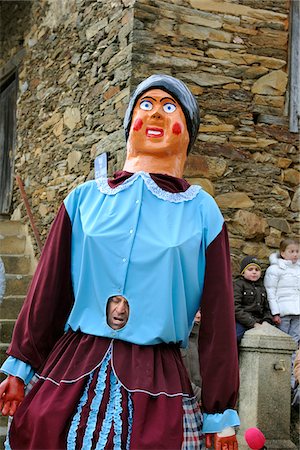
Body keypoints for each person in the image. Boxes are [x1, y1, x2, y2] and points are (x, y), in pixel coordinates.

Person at [0, 74, 239, 450]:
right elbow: (48, 291)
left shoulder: (202, 212)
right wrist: (20, 364)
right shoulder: (83, 200)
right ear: (130, 123)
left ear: (186, 130)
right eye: (147, 105)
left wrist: (220, 412)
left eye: (169, 107)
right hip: (74, 362)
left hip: (156, 375)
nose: (157, 115)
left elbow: (219, 316)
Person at [264, 238, 300, 390]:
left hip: (298, 312)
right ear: (283, 253)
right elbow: (270, 291)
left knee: (295, 345)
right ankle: (281, 381)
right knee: (283, 346)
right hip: (283, 313)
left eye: (297, 251)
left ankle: (292, 382)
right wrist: (275, 312)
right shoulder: (275, 269)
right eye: (291, 251)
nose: (295, 254)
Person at [234, 256, 273, 344]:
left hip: (260, 321)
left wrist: (267, 321)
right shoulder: (238, 285)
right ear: (243, 272)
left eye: (257, 269)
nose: (254, 272)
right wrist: (252, 323)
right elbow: (235, 308)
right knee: (235, 338)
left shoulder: (261, 287)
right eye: (250, 269)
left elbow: (266, 308)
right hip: (243, 321)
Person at [180, 310, 202, 403]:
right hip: (188, 399)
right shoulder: (179, 346)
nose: (199, 316)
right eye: (195, 311)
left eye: (200, 311)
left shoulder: (203, 341)